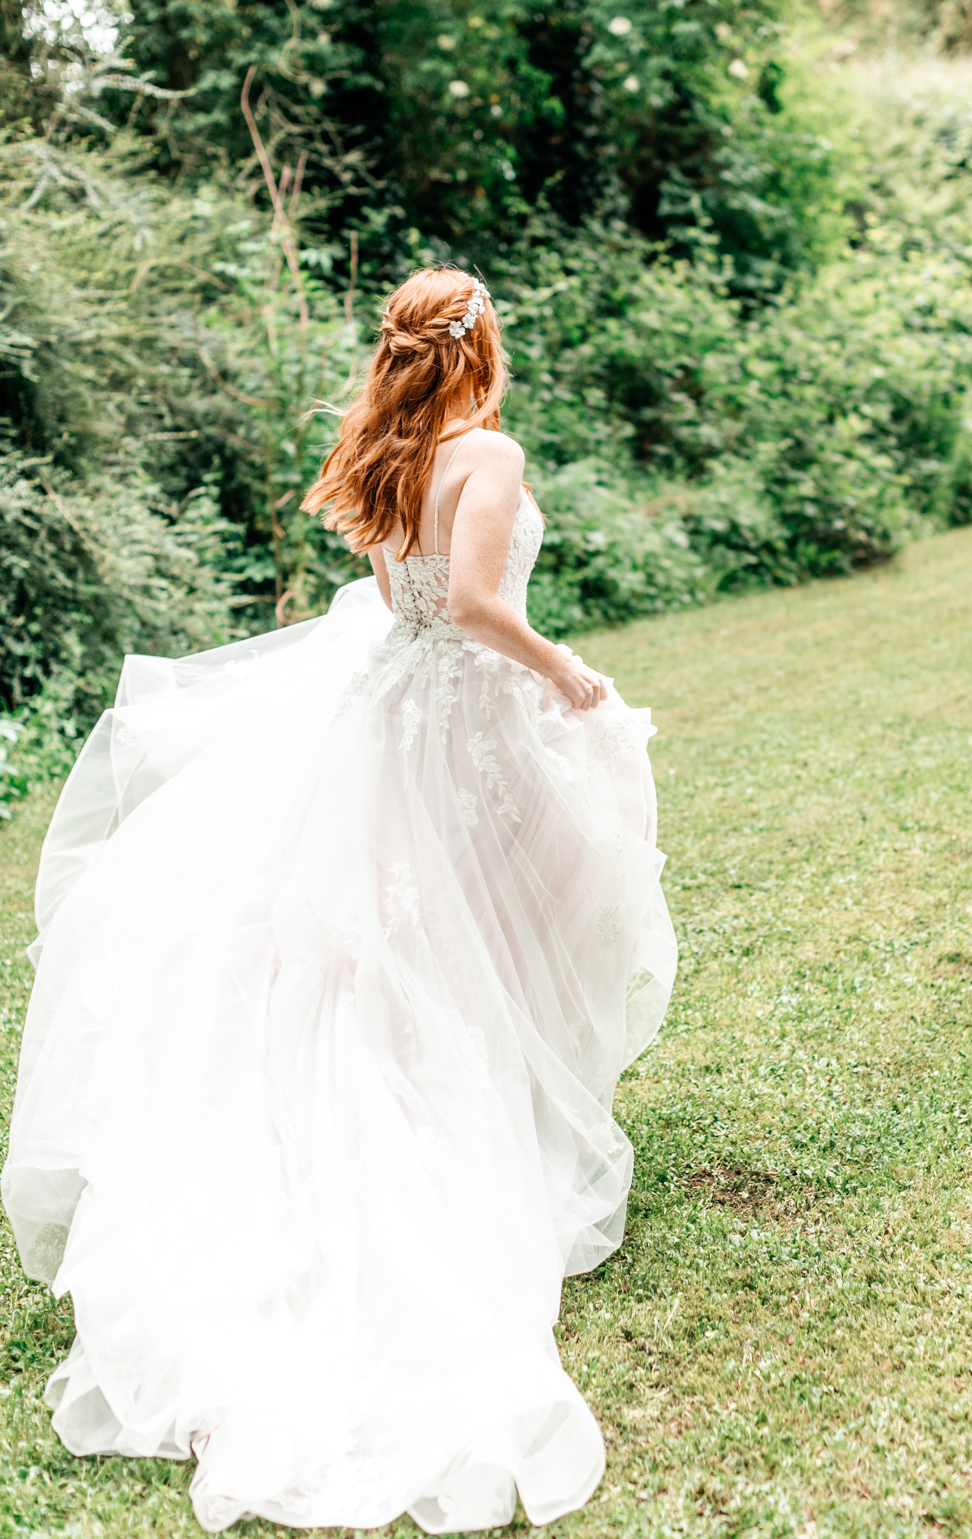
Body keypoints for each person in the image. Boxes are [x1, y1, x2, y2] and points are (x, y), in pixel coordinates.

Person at [1, 266, 677, 1533]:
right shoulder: (486, 450)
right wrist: (565, 670)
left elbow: (393, 599)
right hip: (464, 712)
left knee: (421, 938)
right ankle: (461, 1138)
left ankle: (488, 1107)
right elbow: (476, 605)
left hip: (394, 706)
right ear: (480, 345)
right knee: (482, 930)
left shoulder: (392, 446)